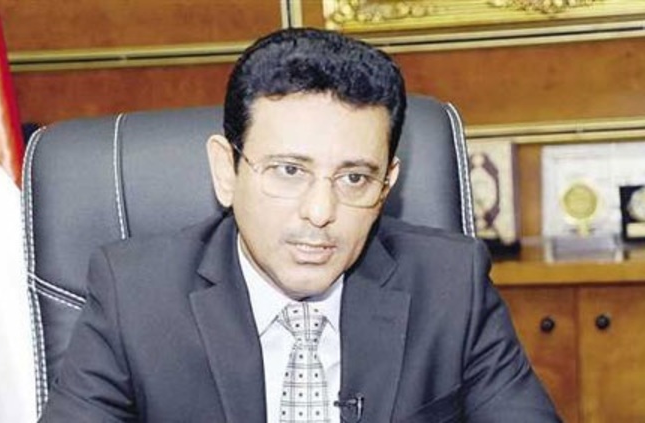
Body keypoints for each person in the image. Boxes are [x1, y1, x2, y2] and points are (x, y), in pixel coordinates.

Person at [40, 28, 560, 422]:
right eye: (289, 171)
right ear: (226, 171)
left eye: (354, 178)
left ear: (387, 185)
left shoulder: (451, 284)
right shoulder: (135, 296)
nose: (320, 211)